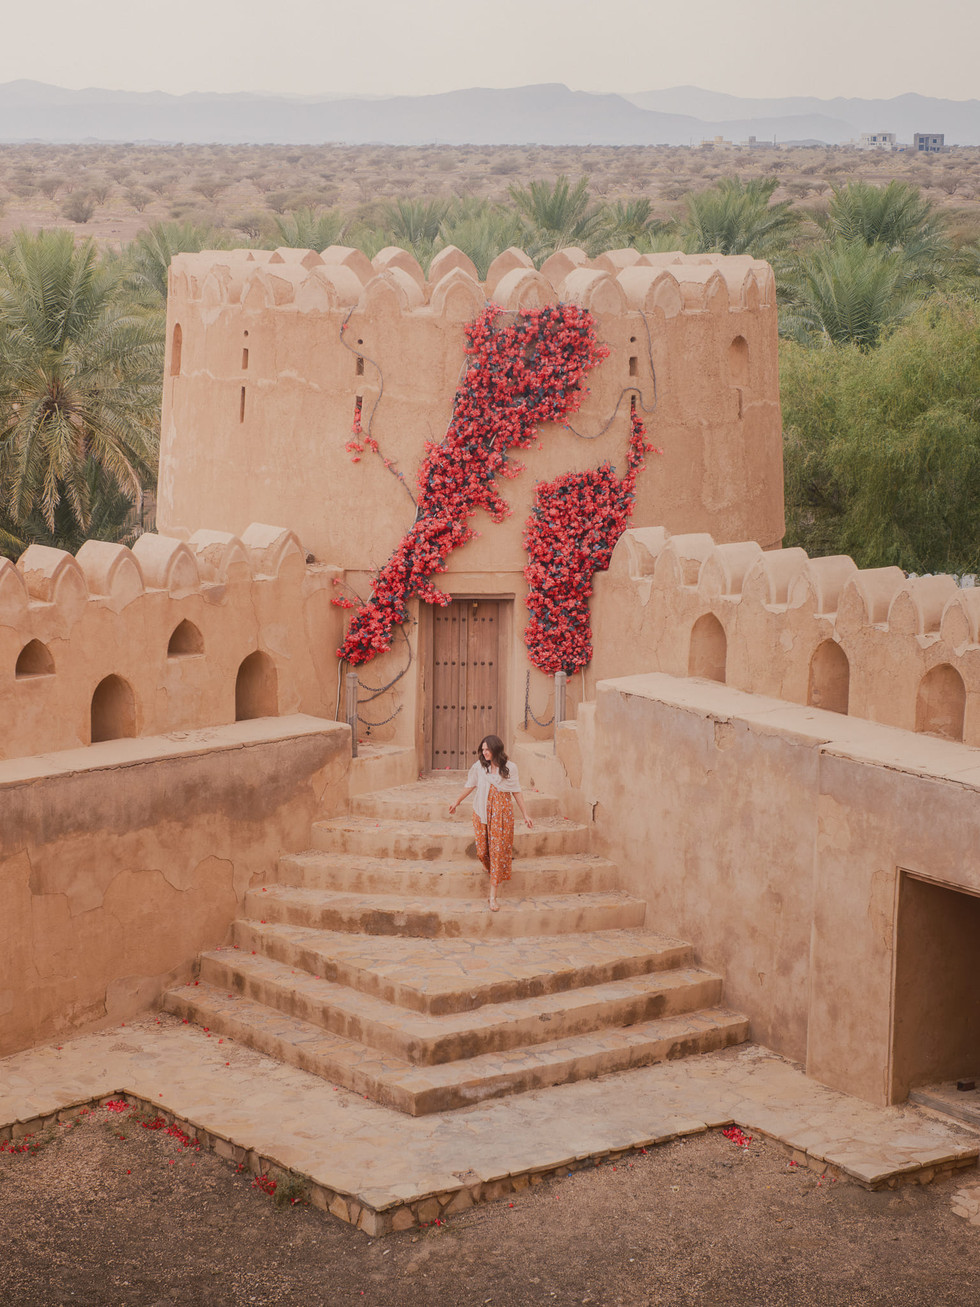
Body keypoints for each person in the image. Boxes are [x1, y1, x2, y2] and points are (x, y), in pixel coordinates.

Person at [449, 735, 533, 911]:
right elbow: (470, 785)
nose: (484, 752)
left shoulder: (510, 768)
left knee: (497, 852)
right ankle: (493, 870)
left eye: (487, 749)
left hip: (501, 815)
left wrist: (525, 814)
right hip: (481, 812)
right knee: (482, 852)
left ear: (496, 749)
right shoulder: (479, 767)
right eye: (483, 749)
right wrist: (456, 801)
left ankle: (492, 896)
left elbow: (516, 791)